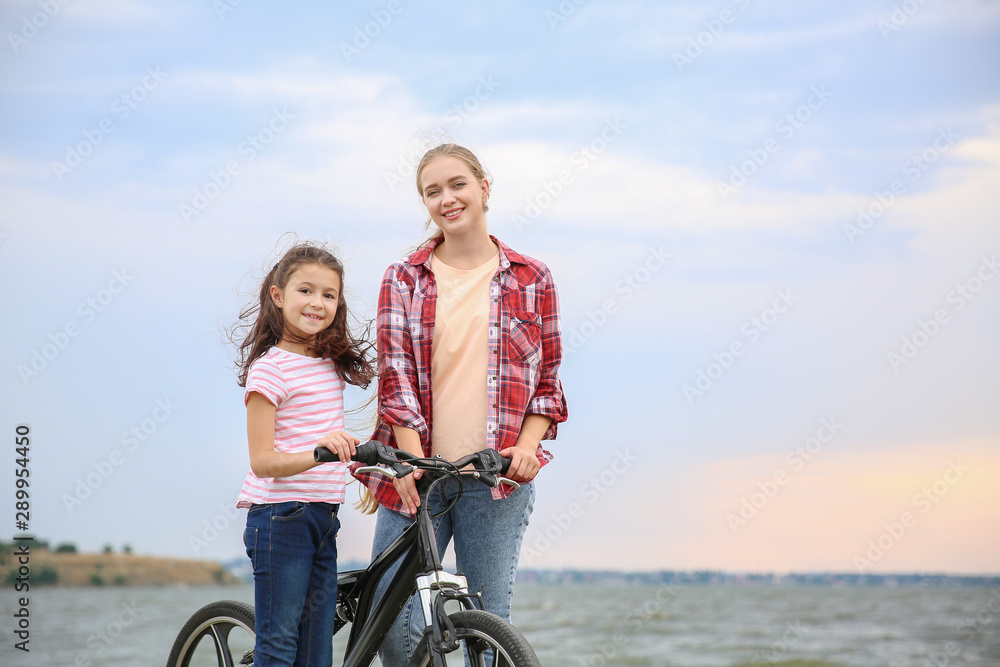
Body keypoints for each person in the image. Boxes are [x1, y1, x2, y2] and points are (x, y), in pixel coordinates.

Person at [353, 143, 568, 663]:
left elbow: (548, 378)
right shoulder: (403, 278)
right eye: (432, 191)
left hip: (495, 480)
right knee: (390, 626)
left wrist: (526, 449)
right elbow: (395, 373)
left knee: (486, 633)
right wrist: (406, 461)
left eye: (457, 185)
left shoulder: (531, 278)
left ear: (483, 188)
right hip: (417, 476)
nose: (446, 198)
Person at [234, 242, 375, 667]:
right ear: (278, 296)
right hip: (281, 518)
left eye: (329, 295)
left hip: (323, 516)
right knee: (277, 645)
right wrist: (321, 453)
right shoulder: (269, 369)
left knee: (317, 651)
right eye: (306, 291)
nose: (318, 303)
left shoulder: (329, 364)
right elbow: (263, 462)